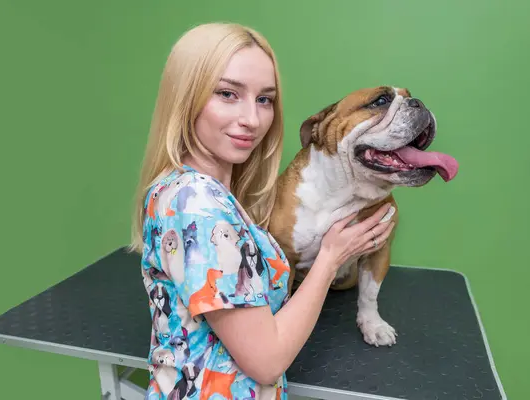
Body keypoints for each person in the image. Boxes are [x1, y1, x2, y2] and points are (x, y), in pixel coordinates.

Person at [129, 22, 396, 400]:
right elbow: (267, 361)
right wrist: (332, 256)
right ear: (185, 97)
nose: (252, 120)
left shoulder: (182, 188)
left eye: (264, 99)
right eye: (227, 93)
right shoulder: (198, 205)